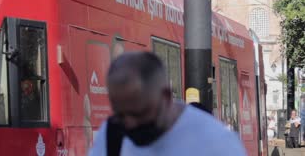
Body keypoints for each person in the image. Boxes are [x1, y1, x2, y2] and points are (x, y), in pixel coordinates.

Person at [88, 51, 247, 156]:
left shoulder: (217, 142)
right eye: (120, 114)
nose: (129, 124)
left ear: (166, 96)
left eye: (139, 113)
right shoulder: (112, 135)